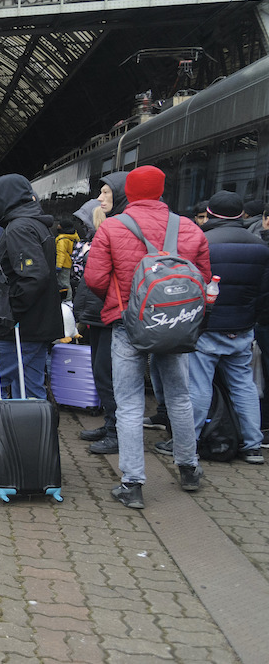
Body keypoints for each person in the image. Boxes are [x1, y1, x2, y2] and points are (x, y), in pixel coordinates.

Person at [84, 165, 210, 509]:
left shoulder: (111, 227)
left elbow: (94, 278)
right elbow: (204, 278)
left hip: (127, 324)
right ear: (161, 191)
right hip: (174, 323)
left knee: (129, 403)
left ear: (131, 192)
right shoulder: (188, 227)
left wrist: (120, 300)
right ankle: (188, 469)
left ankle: (133, 484)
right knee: (179, 397)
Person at [0, 174, 61, 480]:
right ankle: (35, 460)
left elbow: (34, 278)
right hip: (37, 328)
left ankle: (2, 457)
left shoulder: (18, 228)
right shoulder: (35, 224)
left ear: (6, 196)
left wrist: (8, 315)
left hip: (17, 332)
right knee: (31, 393)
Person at [170, 191, 268, 464]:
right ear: (241, 214)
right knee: (244, 386)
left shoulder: (203, 242)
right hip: (242, 327)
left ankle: (190, 442)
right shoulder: (260, 246)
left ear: (210, 212)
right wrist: (250, 318)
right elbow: (263, 292)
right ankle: (253, 446)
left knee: (199, 387)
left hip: (206, 327)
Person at [75, 173, 129, 454]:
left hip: (110, 314)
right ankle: (110, 424)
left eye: (107, 193)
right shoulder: (109, 228)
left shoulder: (118, 230)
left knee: (109, 374)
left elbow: (101, 277)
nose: (100, 198)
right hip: (97, 313)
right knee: (101, 372)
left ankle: (117, 431)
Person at [54, 218, 78, 300]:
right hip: (71, 263)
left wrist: (58, 266)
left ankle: (67, 299)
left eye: (59, 224)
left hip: (64, 264)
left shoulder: (62, 239)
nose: (58, 226)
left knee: (64, 283)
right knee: (68, 282)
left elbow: (61, 253)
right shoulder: (73, 236)